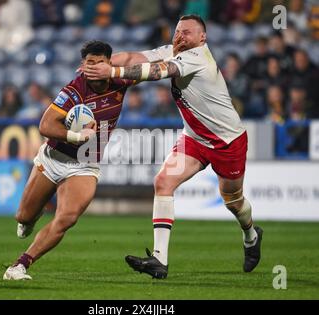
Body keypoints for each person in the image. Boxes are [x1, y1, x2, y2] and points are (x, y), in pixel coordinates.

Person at [84, 14, 263, 279]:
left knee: (233, 201)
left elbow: (159, 72)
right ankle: (159, 260)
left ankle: (250, 234)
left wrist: (111, 72)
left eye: (187, 33)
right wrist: (97, 64)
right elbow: (135, 58)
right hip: (194, 139)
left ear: (202, 38)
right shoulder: (171, 51)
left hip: (227, 142)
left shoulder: (198, 57)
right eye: (178, 31)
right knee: (163, 182)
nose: (180, 36)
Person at [3, 40, 134, 280]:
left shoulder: (121, 81)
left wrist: (170, 55)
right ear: (82, 66)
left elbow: (143, 63)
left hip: (85, 165)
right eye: (89, 63)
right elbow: (45, 125)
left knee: (67, 218)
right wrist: (76, 135)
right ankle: (30, 218)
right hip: (54, 157)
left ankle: (19, 265)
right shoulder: (74, 90)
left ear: (109, 64)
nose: (94, 68)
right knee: (23, 216)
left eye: (100, 62)